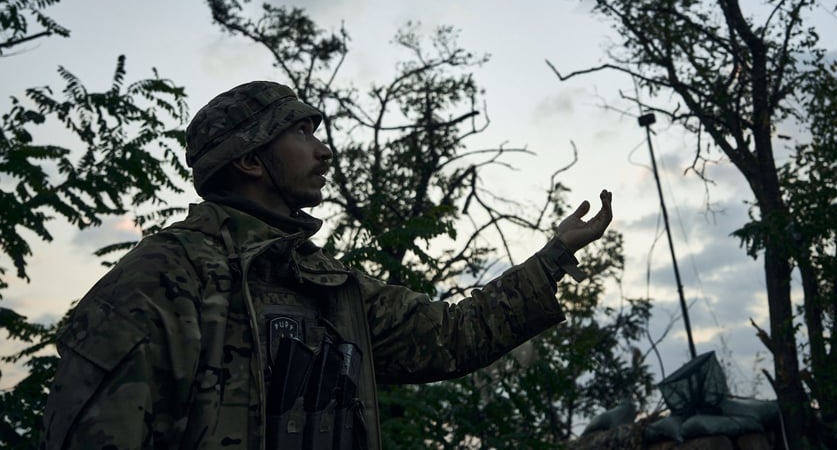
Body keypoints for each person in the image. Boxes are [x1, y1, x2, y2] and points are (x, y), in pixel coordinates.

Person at [41, 80, 613, 450]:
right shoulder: (162, 278)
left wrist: (554, 256)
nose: (324, 150)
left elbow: (450, 337)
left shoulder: (328, 285)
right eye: (299, 132)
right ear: (250, 159)